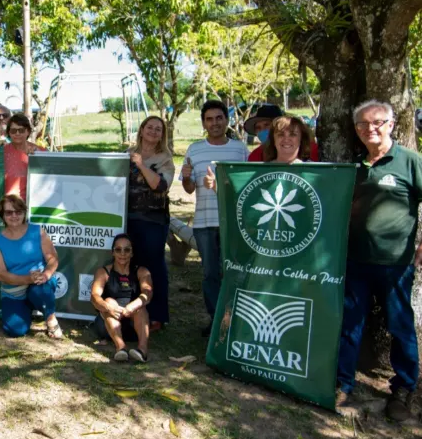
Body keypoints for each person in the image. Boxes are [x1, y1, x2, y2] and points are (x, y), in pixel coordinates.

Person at [337, 100, 420, 422]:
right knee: (349, 324)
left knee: (400, 327)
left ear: (391, 123)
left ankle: (403, 390)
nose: (369, 129)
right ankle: (343, 384)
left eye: (377, 122)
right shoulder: (356, 167)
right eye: (361, 125)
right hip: (355, 261)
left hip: (395, 264)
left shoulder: (409, 162)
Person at [179, 101, 248, 336]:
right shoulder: (194, 149)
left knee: (231, 273)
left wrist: (220, 185)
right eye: (209, 119)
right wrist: (188, 178)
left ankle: (235, 321)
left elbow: (248, 187)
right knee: (210, 274)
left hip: (233, 223)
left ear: (226, 120)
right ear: (203, 123)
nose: (215, 123)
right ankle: (216, 320)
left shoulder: (239, 149)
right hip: (204, 223)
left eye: (219, 118)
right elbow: (188, 189)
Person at [0, 195, 63, 339]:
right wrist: (28, 279)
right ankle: (26, 309)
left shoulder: (38, 231)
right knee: (15, 331)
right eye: (9, 212)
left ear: (24, 213)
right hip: (14, 291)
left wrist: (46, 274)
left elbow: (53, 258)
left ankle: (50, 319)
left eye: (18, 211)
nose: (14, 215)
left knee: (41, 290)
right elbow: (0, 275)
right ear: (2, 215)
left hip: (39, 284)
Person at [126, 116, 174, 332]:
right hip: (127, 218)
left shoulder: (165, 158)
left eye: (159, 129)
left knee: (153, 267)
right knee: (130, 265)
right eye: (150, 127)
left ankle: (157, 315)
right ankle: (133, 311)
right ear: (142, 129)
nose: (154, 132)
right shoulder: (127, 153)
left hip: (153, 220)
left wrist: (140, 165)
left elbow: (160, 185)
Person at [90, 234, 153, 362]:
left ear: (132, 253)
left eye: (127, 250)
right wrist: (108, 307)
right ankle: (120, 348)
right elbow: (94, 296)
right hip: (107, 325)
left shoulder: (142, 271)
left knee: (141, 307)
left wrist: (133, 306)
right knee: (109, 301)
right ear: (112, 252)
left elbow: (148, 293)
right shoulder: (104, 272)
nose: (122, 253)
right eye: (118, 249)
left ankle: (142, 350)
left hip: (133, 324)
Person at [244, 104, 319, 162]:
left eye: (267, 125)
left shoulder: (312, 150)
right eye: (258, 128)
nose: (262, 130)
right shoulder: (255, 155)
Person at [3, 114, 43, 200]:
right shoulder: (1, 152)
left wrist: (38, 158)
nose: (17, 133)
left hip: (33, 202)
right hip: (8, 204)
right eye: (13, 131)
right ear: (9, 133)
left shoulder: (41, 152)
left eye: (21, 130)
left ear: (28, 131)